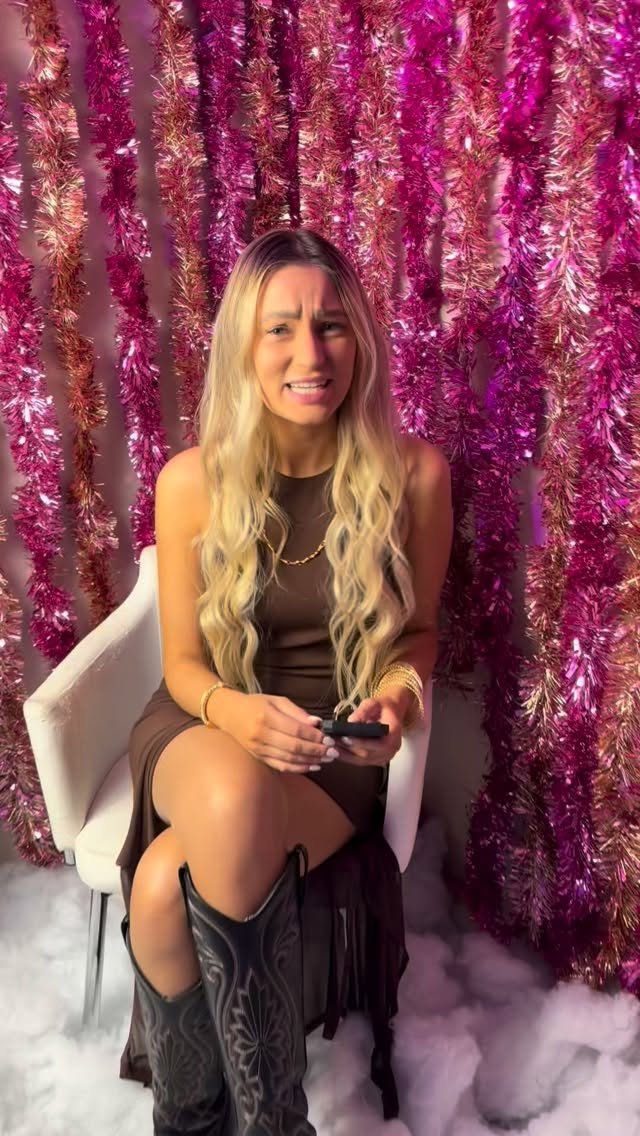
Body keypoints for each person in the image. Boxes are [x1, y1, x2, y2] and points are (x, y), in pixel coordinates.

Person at [116, 226, 453, 1136]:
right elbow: (183, 666)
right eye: (281, 328)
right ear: (245, 345)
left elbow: (418, 635)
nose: (311, 353)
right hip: (202, 721)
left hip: (328, 751)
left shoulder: (415, 476)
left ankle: (194, 1122)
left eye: (332, 325)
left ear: (360, 340)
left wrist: (396, 699)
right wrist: (235, 715)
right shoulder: (192, 481)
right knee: (231, 790)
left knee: (161, 887)